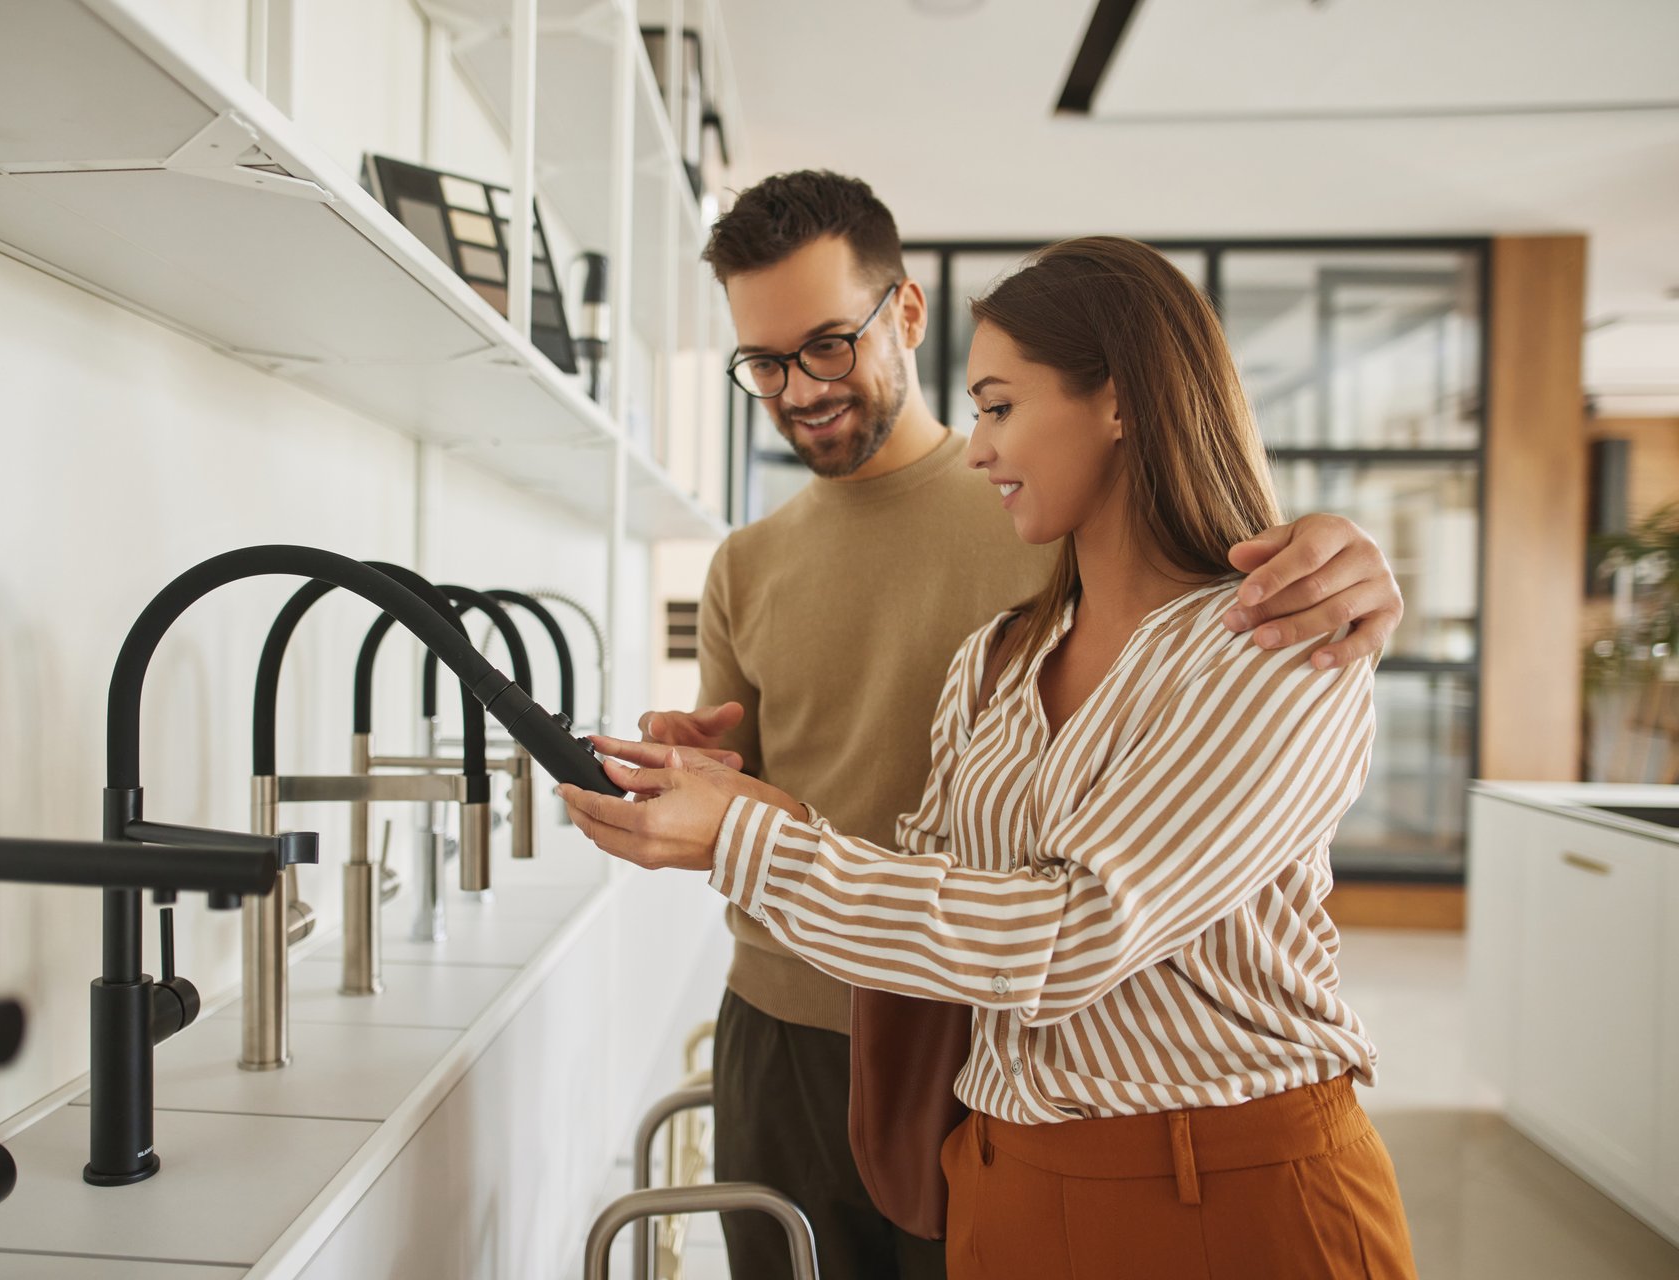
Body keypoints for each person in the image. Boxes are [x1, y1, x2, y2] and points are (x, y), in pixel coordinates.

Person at [565, 233, 1415, 1279]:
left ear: (1122, 399)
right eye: (765, 361)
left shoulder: (1275, 648)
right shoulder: (996, 664)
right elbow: (939, 893)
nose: (980, 448)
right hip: (1009, 1182)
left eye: (1001, 406)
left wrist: (744, 838)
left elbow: (1071, 935)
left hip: (1229, 1188)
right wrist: (745, 810)